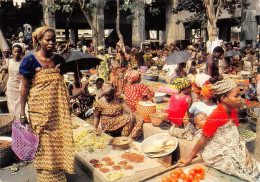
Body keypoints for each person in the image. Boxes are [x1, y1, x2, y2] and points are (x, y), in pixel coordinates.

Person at [19, 26, 74, 182]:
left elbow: (59, 83)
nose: (51, 43)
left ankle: (57, 172)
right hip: (39, 110)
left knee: (58, 140)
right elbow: (24, 87)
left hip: (57, 110)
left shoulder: (59, 60)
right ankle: (45, 175)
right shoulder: (29, 60)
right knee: (43, 141)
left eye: (53, 40)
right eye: (47, 40)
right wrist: (22, 113)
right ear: (39, 41)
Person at [178, 78, 260, 182]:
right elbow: (203, 139)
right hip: (216, 153)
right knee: (244, 169)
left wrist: (247, 152)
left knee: (252, 165)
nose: (240, 99)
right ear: (224, 98)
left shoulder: (233, 110)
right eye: (236, 96)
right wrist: (189, 159)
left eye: (240, 95)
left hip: (231, 146)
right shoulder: (216, 115)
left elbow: (237, 134)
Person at [6, 44, 23, 120]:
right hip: (11, 86)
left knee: (19, 105)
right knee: (12, 105)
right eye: (15, 51)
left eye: (18, 52)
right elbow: (8, 72)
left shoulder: (23, 62)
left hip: (19, 85)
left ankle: (20, 121)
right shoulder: (9, 61)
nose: (17, 54)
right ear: (12, 52)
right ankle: (14, 121)